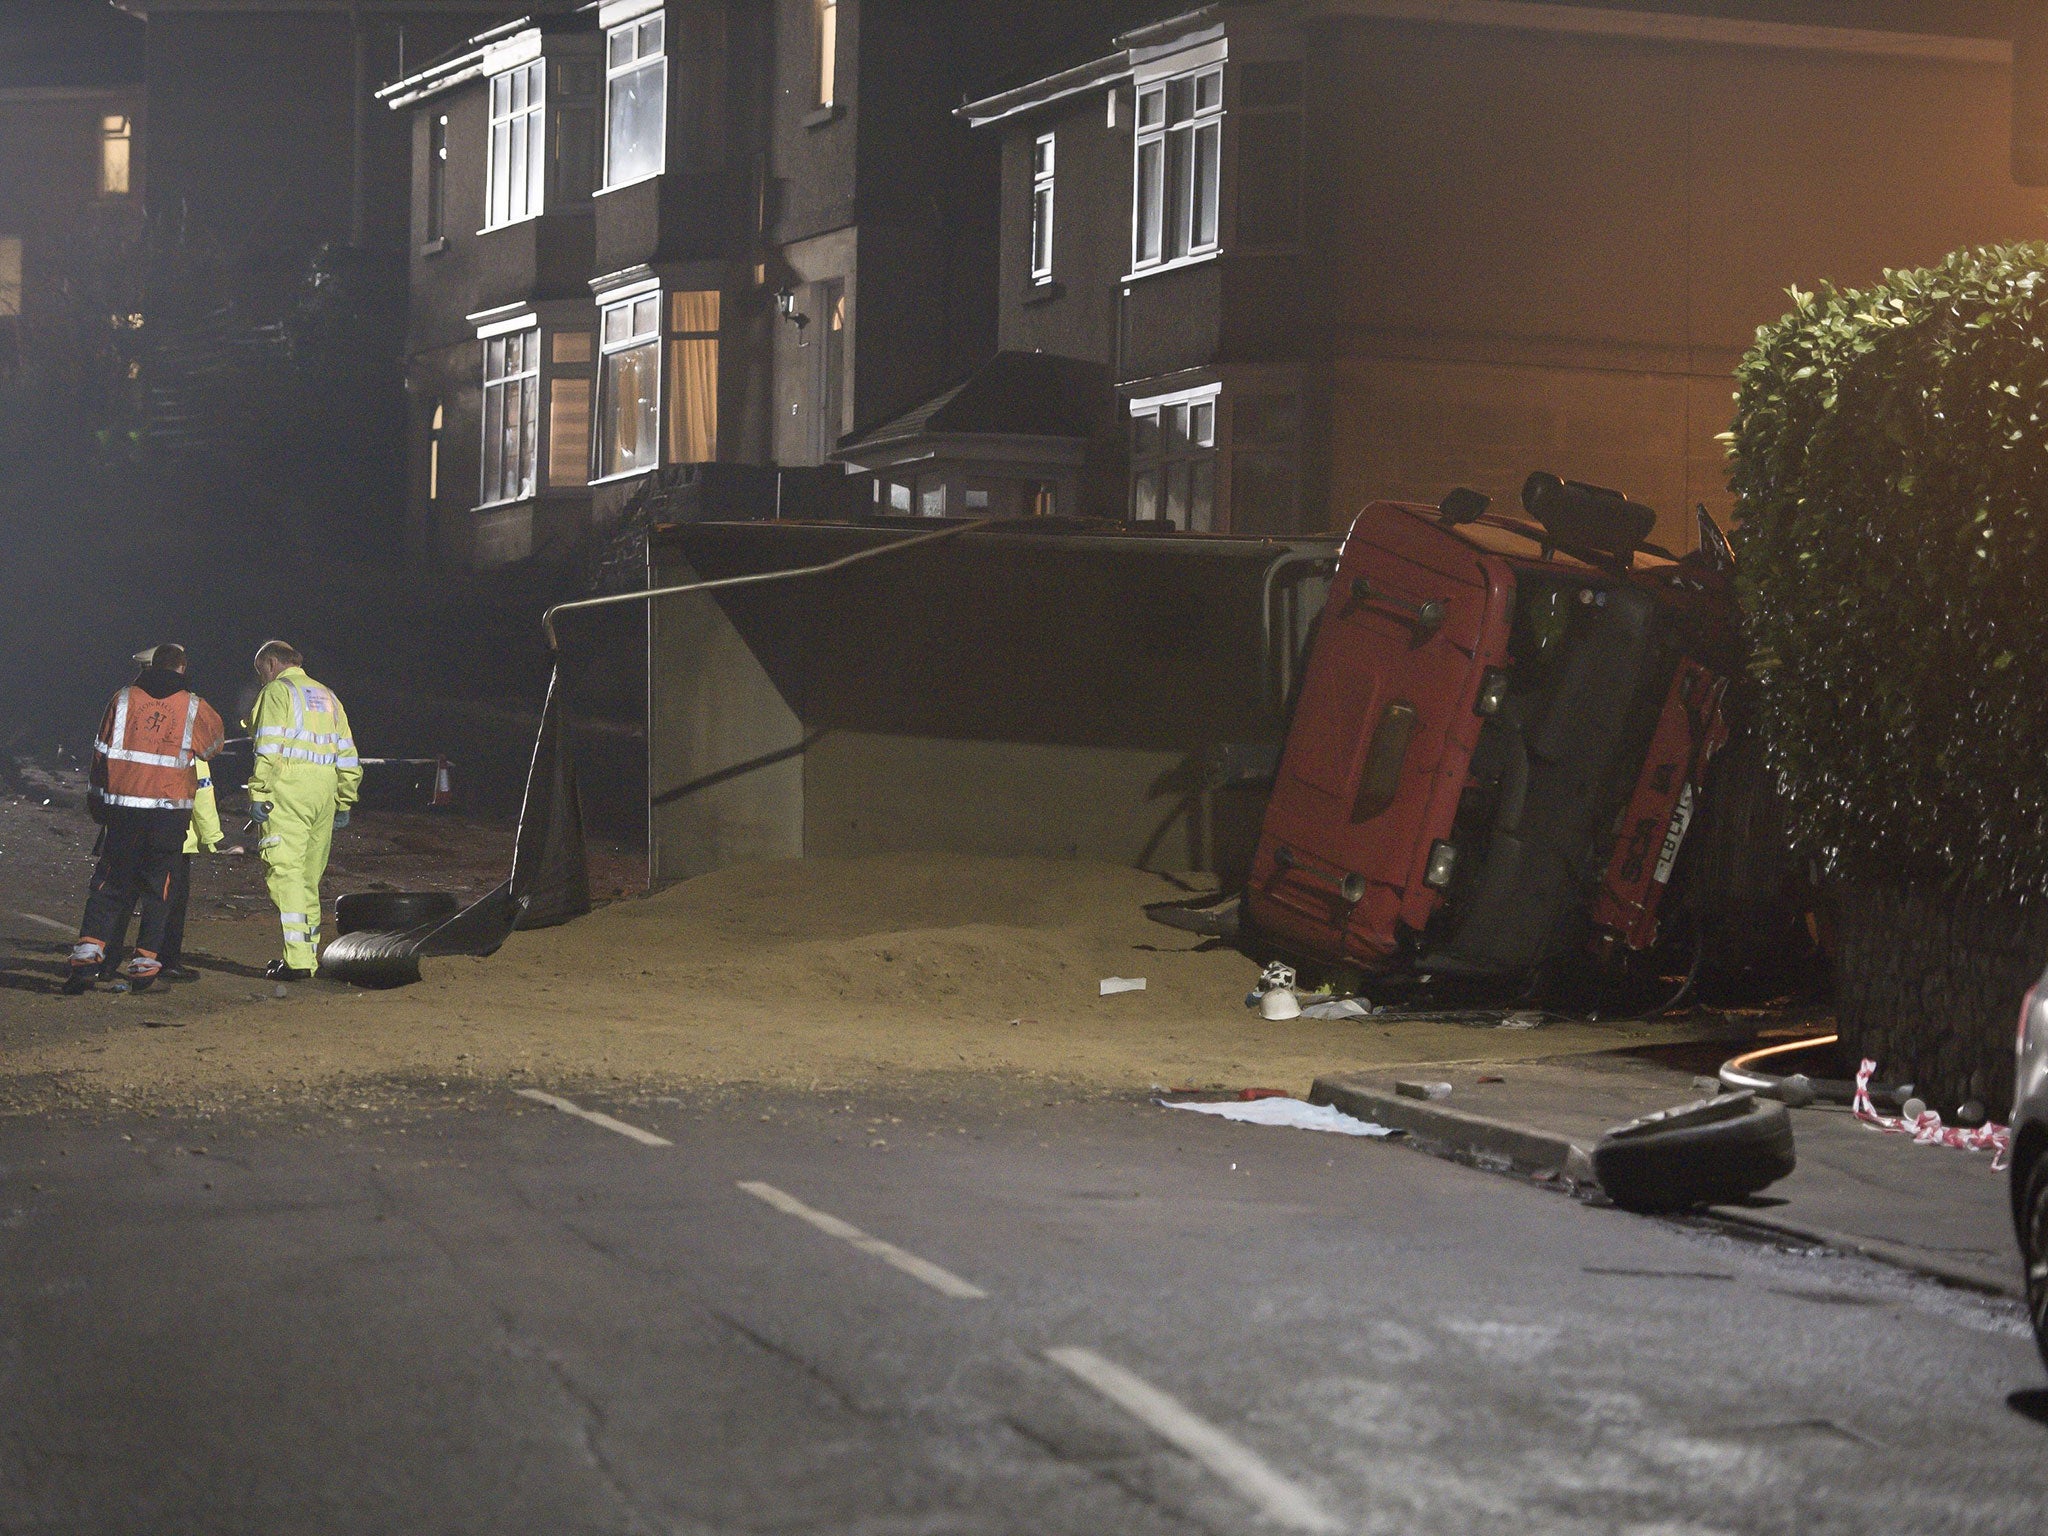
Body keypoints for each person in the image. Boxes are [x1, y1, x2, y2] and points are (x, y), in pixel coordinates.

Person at [64, 644, 225, 994]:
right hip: (167, 816)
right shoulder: (193, 706)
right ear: (182, 668)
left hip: (122, 812)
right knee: (159, 892)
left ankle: (87, 958)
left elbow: (100, 753)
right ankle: (144, 967)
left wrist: (96, 800)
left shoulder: (121, 699)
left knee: (108, 886)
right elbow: (213, 748)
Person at [246, 640, 360, 981]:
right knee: (309, 878)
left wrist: (258, 791)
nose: (261, 680)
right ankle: (307, 956)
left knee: (286, 874)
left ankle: (296, 961)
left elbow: (268, 747)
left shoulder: (277, 692)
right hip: (323, 793)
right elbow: (348, 753)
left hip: (288, 792)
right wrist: (345, 798)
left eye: (260, 673)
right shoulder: (328, 696)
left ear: (269, 664)